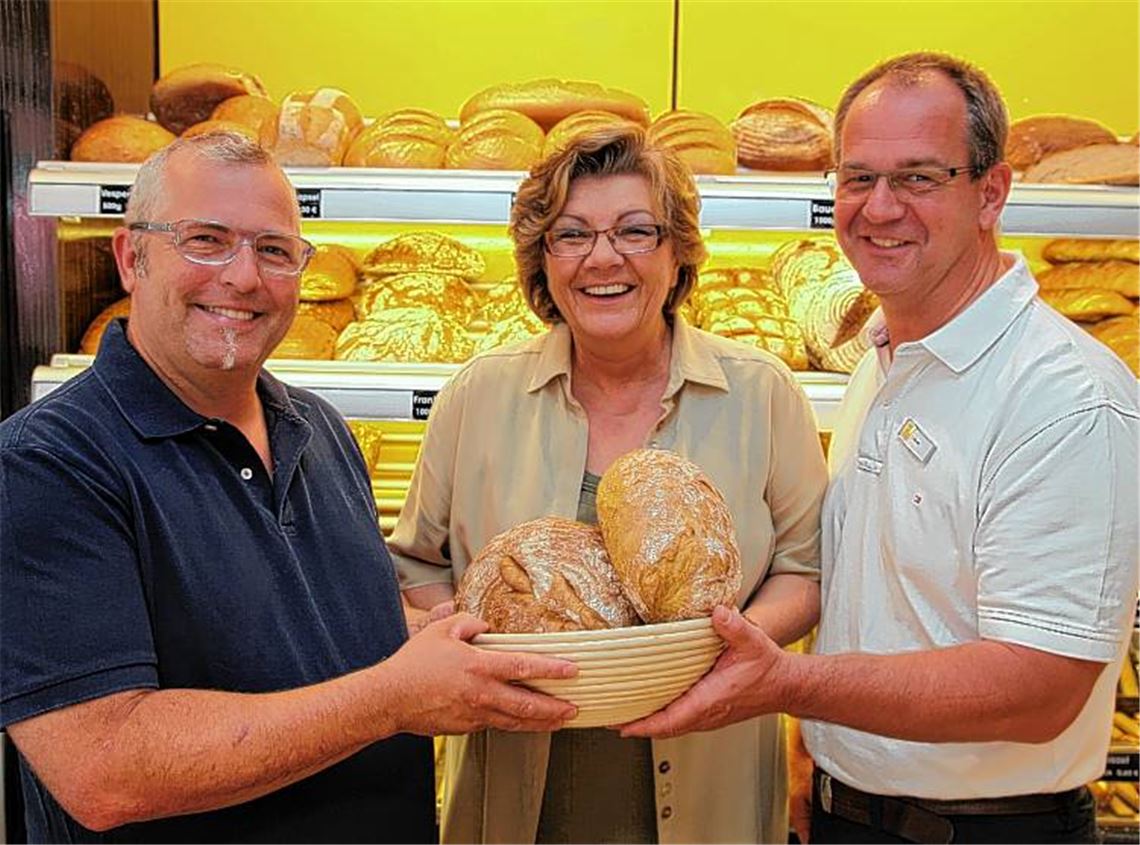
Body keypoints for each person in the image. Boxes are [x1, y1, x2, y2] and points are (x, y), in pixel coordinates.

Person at [0, 132, 581, 844]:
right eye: (206, 240)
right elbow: (103, 765)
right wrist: (393, 698)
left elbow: (314, 629)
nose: (244, 277)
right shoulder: (49, 462)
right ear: (131, 257)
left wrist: (443, 637)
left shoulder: (319, 430)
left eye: (274, 250)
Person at [622, 52, 1139, 844]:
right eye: (857, 178)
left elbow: (1040, 687)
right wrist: (813, 758)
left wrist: (790, 686)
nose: (879, 208)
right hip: (847, 813)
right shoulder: (881, 362)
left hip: (987, 830)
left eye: (919, 179)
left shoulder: (1065, 397)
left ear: (991, 192)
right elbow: (875, 602)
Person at [389, 123, 829, 844]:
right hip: (516, 786)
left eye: (635, 231)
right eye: (572, 234)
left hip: (711, 788)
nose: (603, 258)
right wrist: (478, 647)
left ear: (677, 250)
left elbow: (806, 567)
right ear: (542, 258)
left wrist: (721, 648)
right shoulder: (478, 394)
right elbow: (416, 565)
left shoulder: (762, 392)